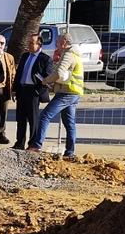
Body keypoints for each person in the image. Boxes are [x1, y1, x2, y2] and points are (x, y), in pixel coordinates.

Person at [27, 33, 83, 161]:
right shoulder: (75, 54)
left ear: (63, 42)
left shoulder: (68, 54)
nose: (56, 44)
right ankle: (70, 152)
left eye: (57, 42)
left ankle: (36, 145)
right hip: (74, 92)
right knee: (69, 123)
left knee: (44, 116)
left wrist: (46, 81)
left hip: (66, 92)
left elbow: (59, 72)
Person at [14, 32, 53, 150]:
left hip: (33, 92)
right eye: (28, 42)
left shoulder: (45, 59)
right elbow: (19, 73)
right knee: (20, 118)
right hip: (22, 90)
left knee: (33, 119)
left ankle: (32, 144)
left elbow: (47, 77)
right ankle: (19, 143)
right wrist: (14, 89)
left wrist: (38, 91)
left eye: (31, 43)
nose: (29, 45)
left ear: (39, 44)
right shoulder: (25, 56)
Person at [0, 35, 16, 145]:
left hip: (5, 89)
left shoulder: (9, 57)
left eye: (1, 43)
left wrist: (13, 90)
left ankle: (1, 133)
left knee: (3, 113)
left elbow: (12, 74)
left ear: (5, 44)